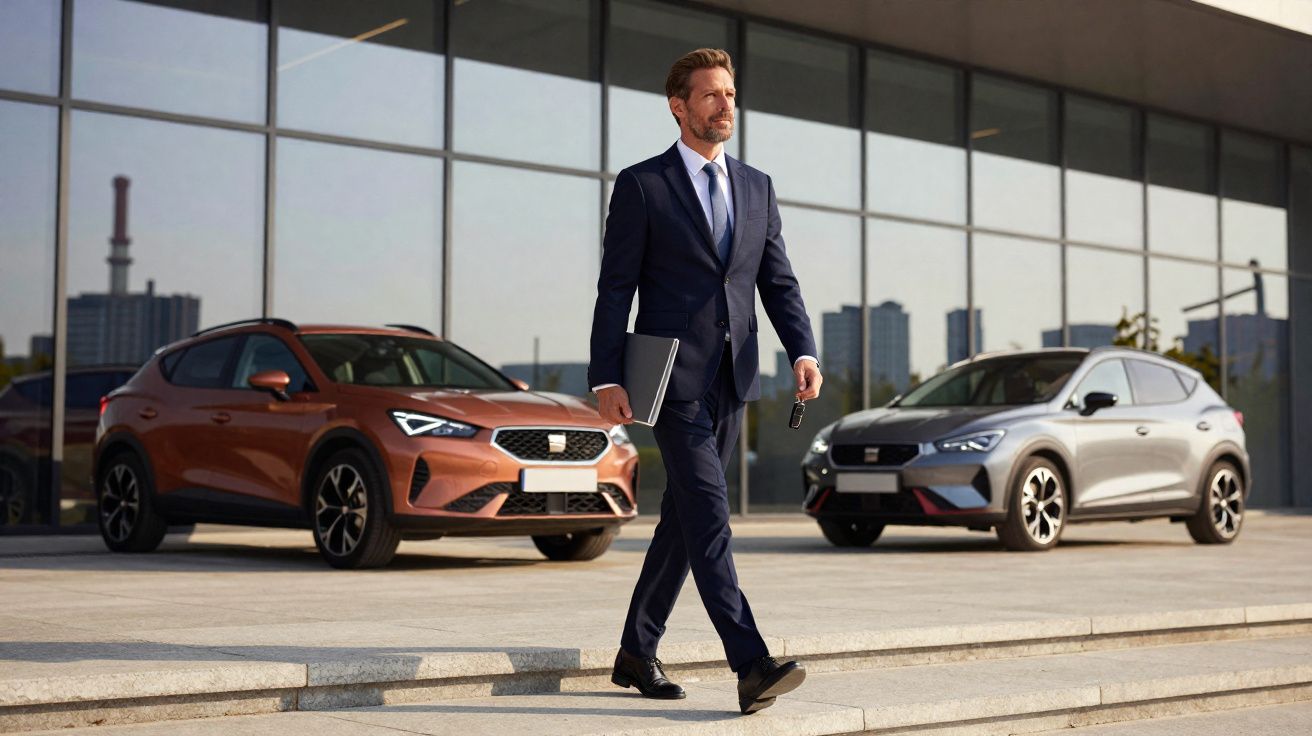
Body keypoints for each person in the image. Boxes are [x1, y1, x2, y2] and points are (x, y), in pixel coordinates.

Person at [587, 48, 822, 715]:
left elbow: (776, 280)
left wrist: (801, 349)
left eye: (730, 94)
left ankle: (637, 650)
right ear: (679, 105)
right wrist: (606, 374)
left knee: (686, 520)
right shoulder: (643, 185)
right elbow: (616, 289)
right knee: (711, 516)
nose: (725, 105)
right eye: (711, 95)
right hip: (673, 378)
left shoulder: (757, 186)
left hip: (735, 376)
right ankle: (750, 662)